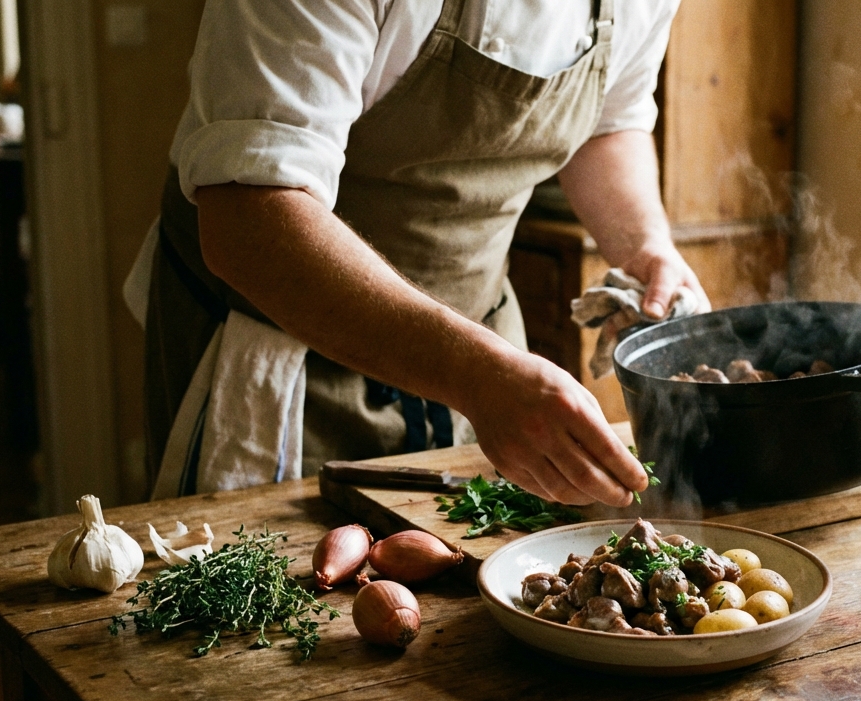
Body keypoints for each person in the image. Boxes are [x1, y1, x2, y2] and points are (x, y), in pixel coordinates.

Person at [135, 0, 709, 506]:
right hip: (278, 359)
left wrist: (644, 246)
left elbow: (612, 122)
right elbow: (250, 221)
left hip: (483, 352)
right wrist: (478, 376)